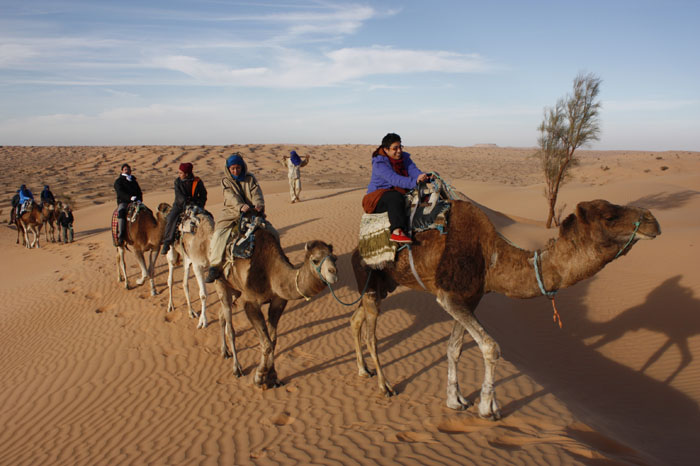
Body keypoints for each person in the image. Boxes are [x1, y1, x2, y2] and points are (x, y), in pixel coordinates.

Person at [205, 153, 265, 283]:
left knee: (272, 232)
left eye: (238, 168)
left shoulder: (250, 178)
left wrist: (259, 203)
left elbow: (256, 192)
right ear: (228, 169)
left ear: (242, 167)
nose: (236, 171)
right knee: (218, 235)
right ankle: (214, 266)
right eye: (233, 168)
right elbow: (230, 196)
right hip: (231, 213)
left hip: (252, 212)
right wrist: (240, 206)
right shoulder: (226, 181)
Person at [362, 133, 430, 244]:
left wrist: (424, 176)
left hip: (398, 192)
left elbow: (413, 171)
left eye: (400, 147)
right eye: (395, 148)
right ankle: (397, 230)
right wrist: (415, 181)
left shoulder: (404, 158)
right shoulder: (379, 163)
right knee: (395, 197)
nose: (399, 151)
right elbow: (394, 179)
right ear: (386, 149)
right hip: (377, 198)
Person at [160, 162, 208, 255]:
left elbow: (203, 194)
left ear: (187, 173)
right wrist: (186, 202)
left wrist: (199, 204)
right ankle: (167, 242)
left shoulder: (197, 181)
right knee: (171, 218)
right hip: (180, 206)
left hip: (195, 205)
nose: (179, 175)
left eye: (181, 173)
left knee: (208, 217)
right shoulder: (177, 181)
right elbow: (179, 196)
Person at [113, 163, 143, 246]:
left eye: (129, 170)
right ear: (122, 171)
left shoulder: (133, 180)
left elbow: (139, 191)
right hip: (124, 202)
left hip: (136, 202)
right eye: (125, 169)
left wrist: (140, 200)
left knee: (146, 211)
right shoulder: (118, 182)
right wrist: (129, 198)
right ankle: (121, 236)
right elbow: (120, 193)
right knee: (121, 213)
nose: (127, 171)